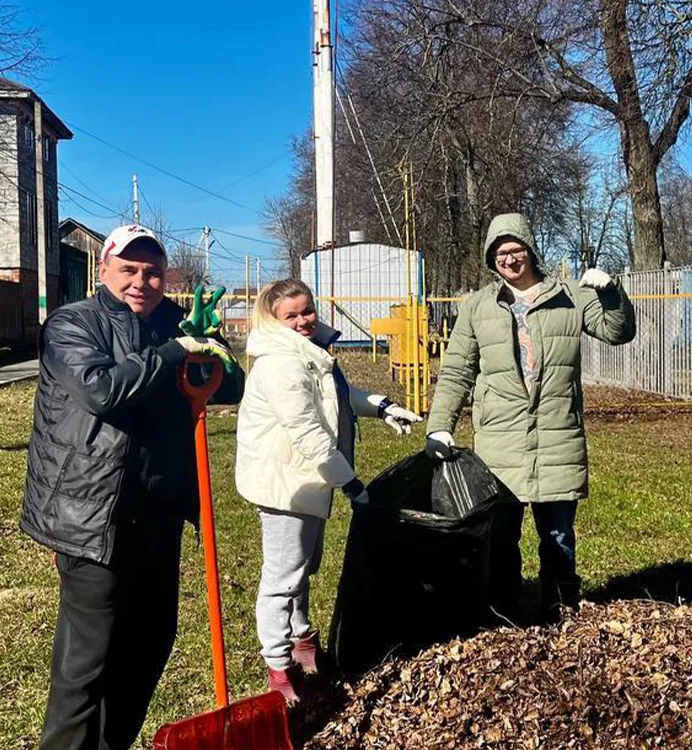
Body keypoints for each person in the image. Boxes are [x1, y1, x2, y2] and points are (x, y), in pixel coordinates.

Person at [18, 223, 243, 750]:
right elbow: (104, 391)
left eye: (153, 272)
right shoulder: (72, 325)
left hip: (156, 514)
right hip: (91, 517)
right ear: (104, 267)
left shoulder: (173, 320)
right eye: (130, 269)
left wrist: (214, 355)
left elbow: (226, 384)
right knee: (85, 667)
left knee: (151, 644)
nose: (142, 283)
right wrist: (178, 354)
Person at [425, 212, 636, 619]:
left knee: (557, 536)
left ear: (530, 250)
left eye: (516, 249)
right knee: (501, 536)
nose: (509, 259)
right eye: (500, 253)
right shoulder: (477, 307)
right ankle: (504, 615)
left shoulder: (569, 296)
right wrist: (439, 426)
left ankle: (560, 613)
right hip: (500, 440)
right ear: (491, 258)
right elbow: (456, 371)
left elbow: (617, 331)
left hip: (557, 434)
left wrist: (611, 293)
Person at [235, 278, 421, 706]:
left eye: (307, 310)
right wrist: (351, 483)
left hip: (307, 478)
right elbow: (308, 431)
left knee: (303, 567)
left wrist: (382, 407)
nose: (302, 321)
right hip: (285, 482)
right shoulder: (280, 362)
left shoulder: (311, 352)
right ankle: (278, 667)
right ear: (274, 318)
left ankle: (302, 639)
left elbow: (337, 395)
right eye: (292, 315)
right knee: (283, 577)